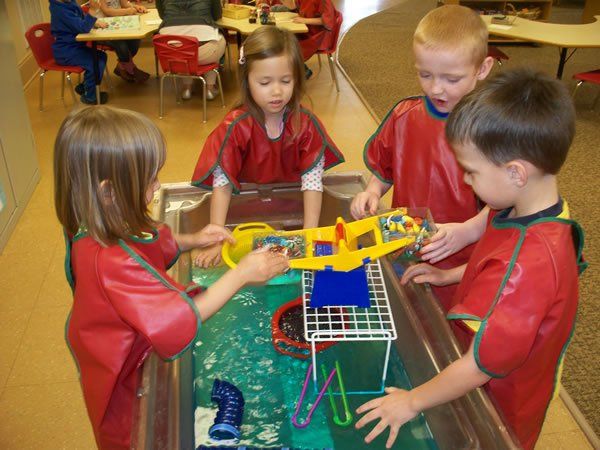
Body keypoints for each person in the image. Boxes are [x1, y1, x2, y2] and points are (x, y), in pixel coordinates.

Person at [356, 68, 587, 450]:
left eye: (472, 172)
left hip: (504, 406)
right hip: (495, 372)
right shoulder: (527, 204)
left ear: (515, 173)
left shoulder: (533, 264)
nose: (465, 182)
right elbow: (497, 253)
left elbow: (479, 367)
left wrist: (411, 402)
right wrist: (452, 276)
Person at [54, 106, 289, 450]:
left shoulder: (103, 216)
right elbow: (178, 319)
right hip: (119, 370)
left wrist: (194, 240)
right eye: (149, 179)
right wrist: (241, 274)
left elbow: (146, 240)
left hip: (115, 337)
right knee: (125, 432)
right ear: (108, 192)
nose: (157, 185)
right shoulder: (107, 259)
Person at [349, 5, 494, 311]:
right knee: (410, 302)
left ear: (482, 69)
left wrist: (467, 230)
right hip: (405, 240)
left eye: (451, 79)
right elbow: (385, 167)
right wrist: (372, 191)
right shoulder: (404, 116)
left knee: (453, 315)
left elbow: (509, 205)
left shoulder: (494, 129)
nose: (436, 88)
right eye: (425, 74)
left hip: (461, 251)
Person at [191, 26, 344, 268]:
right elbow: (222, 183)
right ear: (247, 80)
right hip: (246, 206)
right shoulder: (236, 126)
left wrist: (309, 235)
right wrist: (218, 236)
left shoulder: (304, 124)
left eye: (286, 81)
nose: (276, 91)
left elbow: (313, 182)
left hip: (291, 202)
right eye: (264, 82)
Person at [156, 0, 226, 100]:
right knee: (217, 40)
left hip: (171, 54)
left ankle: (186, 88)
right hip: (205, 54)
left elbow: (163, 15)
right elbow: (217, 15)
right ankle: (210, 89)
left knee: (182, 47)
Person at [49, 0, 110, 104]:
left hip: (76, 47)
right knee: (95, 63)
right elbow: (83, 28)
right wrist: (92, 10)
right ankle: (90, 97)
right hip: (66, 52)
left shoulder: (69, 3)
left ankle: (85, 86)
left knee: (102, 56)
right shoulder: (59, 10)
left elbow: (80, 19)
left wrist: (94, 22)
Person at [88, 0, 151, 83]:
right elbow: (107, 11)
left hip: (116, 25)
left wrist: (135, 7)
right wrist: (127, 11)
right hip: (100, 30)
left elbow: (125, 3)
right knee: (121, 45)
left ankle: (121, 66)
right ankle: (130, 69)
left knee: (135, 40)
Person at [280, 0, 339, 78]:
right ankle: (299, 68)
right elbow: (294, 6)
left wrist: (304, 20)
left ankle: (301, 69)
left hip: (320, 35)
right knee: (283, 38)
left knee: (288, 44)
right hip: (307, 29)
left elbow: (327, 21)